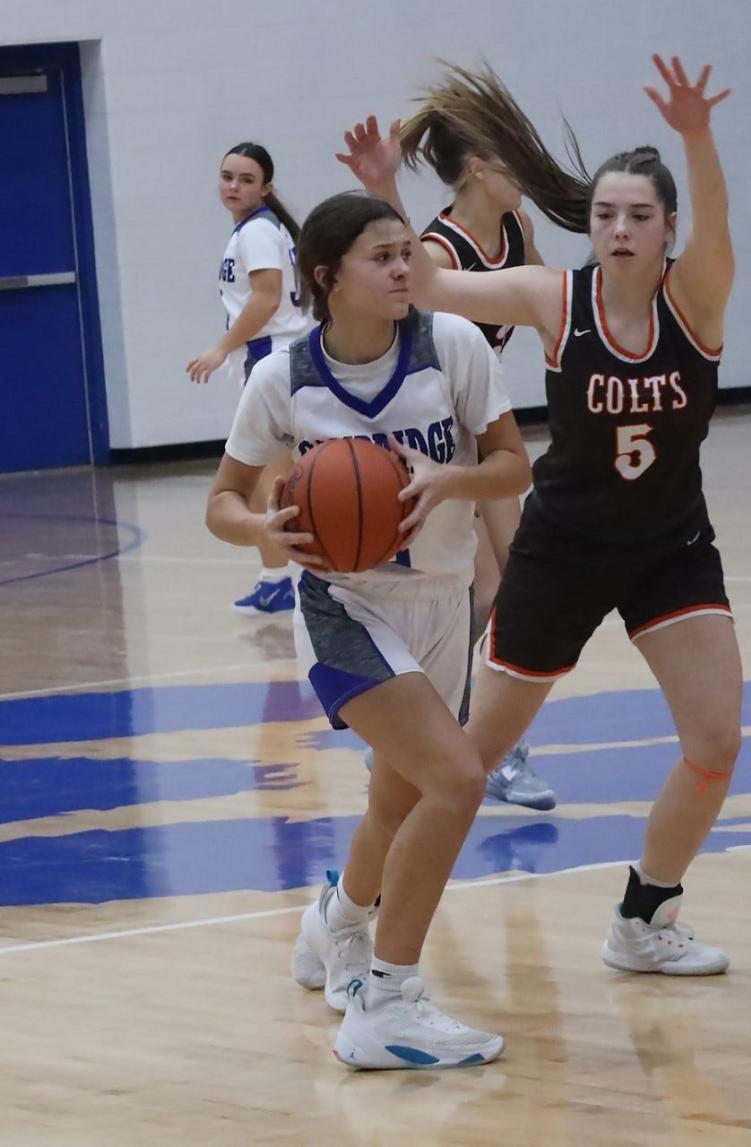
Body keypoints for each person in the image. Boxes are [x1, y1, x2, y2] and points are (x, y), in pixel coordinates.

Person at [339, 54, 738, 976]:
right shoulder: (556, 297)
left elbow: (718, 217)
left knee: (715, 741)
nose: (620, 228)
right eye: (605, 214)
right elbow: (431, 289)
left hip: (672, 547)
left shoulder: (698, 295)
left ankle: (644, 916)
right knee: (462, 765)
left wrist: (696, 134)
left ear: (669, 227)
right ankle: (355, 907)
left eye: (641, 214)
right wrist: (383, 189)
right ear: (588, 227)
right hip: (563, 554)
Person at [206, 191, 531, 1068]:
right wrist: (262, 531)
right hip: (346, 606)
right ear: (328, 277)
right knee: (459, 782)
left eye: (406, 253)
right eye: (383, 257)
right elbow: (223, 503)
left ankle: (335, 923)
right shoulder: (284, 378)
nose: (402, 269)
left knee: (399, 799)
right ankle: (387, 1002)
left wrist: (446, 480)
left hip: (443, 600)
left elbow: (512, 465)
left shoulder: (451, 345)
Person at [367, 106, 555, 811]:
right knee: (476, 591)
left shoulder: (516, 229)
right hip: (431, 429)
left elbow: (548, 309)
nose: (525, 175)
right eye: (512, 160)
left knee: (509, 588)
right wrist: (384, 186)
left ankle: (461, 738)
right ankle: (448, 741)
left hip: (482, 422)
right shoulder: (442, 251)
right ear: (477, 168)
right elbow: (407, 280)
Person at [188, 142, 312, 615]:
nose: (233, 186)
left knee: (272, 479)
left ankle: (291, 578)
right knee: (269, 477)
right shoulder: (258, 229)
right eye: (227, 176)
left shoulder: (257, 233)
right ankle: (277, 576)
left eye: (244, 179)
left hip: (270, 359)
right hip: (273, 359)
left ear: (266, 188)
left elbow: (266, 297)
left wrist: (220, 348)